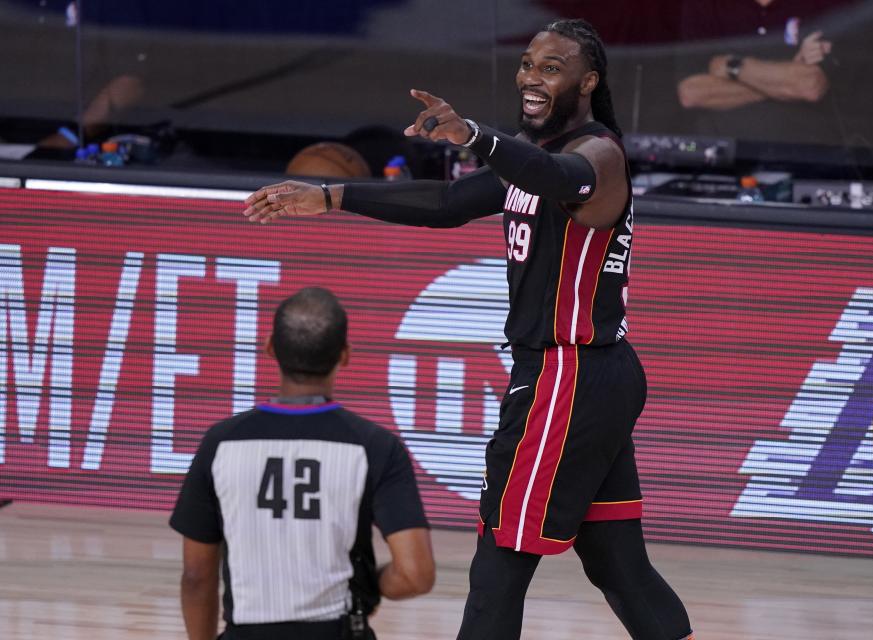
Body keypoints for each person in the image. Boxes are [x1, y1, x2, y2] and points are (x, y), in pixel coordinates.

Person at [243, 18, 693, 640]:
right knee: (619, 564)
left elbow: (556, 179)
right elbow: (448, 205)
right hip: (593, 378)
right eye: (528, 63)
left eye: (552, 67)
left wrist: (478, 136)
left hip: (565, 374)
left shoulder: (598, 155)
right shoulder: (534, 160)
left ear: (588, 81)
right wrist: (330, 197)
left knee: (498, 568)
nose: (532, 77)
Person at [169, 287, 435, 640]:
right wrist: (367, 586)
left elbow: (196, 577)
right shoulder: (376, 446)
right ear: (345, 356)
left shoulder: (220, 443)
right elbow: (415, 575)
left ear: (269, 348)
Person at [675, 0, 841, 146]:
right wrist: (786, 79)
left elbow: (810, 86)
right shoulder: (705, 4)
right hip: (722, 157)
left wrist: (732, 67)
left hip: (805, 157)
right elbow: (691, 94)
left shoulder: (821, 4)